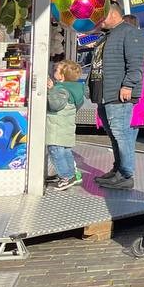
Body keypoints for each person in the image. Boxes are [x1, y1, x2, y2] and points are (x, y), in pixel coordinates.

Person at [90, 2, 144, 189]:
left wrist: (128, 85)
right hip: (105, 93)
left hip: (118, 94)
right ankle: (118, 169)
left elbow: (136, 65)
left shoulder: (130, 33)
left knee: (121, 135)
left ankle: (126, 174)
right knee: (114, 135)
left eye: (102, 15)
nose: (99, 20)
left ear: (113, 15)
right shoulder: (107, 35)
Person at [45, 60, 85, 190]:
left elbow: (55, 105)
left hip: (57, 126)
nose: (54, 71)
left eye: (56, 70)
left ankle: (66, 176)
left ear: (63, 76)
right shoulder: (74, 88)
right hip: (66, 125)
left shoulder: (61, 90)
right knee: (66, 151)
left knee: (55, 150)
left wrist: (51, 90)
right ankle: (71, 174)